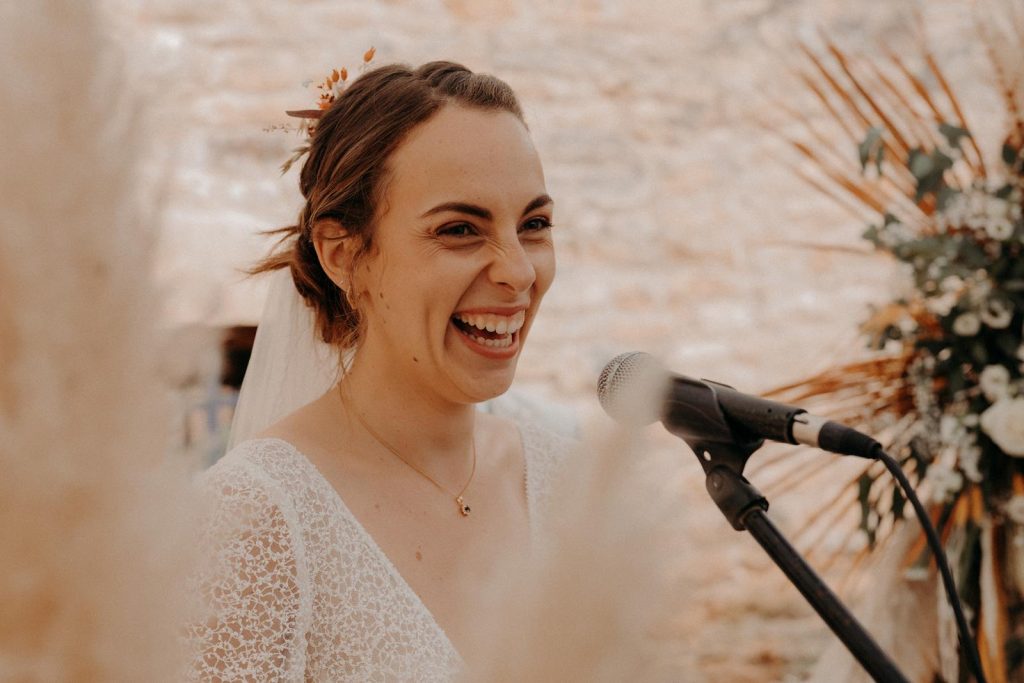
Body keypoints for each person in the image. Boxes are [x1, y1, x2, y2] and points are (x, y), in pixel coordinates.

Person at [184, 61, 575, 681]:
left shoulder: (568, 478)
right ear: (343, 255)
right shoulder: (250, 521)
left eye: (534, 225)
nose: (519, 273)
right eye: (459, 230)